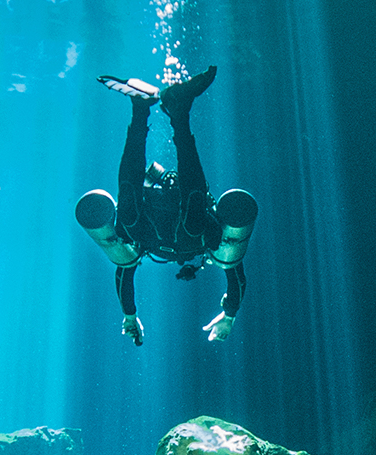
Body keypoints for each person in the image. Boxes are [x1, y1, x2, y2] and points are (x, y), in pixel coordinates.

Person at [74, 65, 257, 346]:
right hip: (180, 231)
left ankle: (145, 109)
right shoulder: (198, 243)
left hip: (156, 230)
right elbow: (235, 273)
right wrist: (229, 315)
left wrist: (130, 315)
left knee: (133, 218)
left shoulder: (143, 239)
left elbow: (124, 268)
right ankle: (171, 111)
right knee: (172, 219)